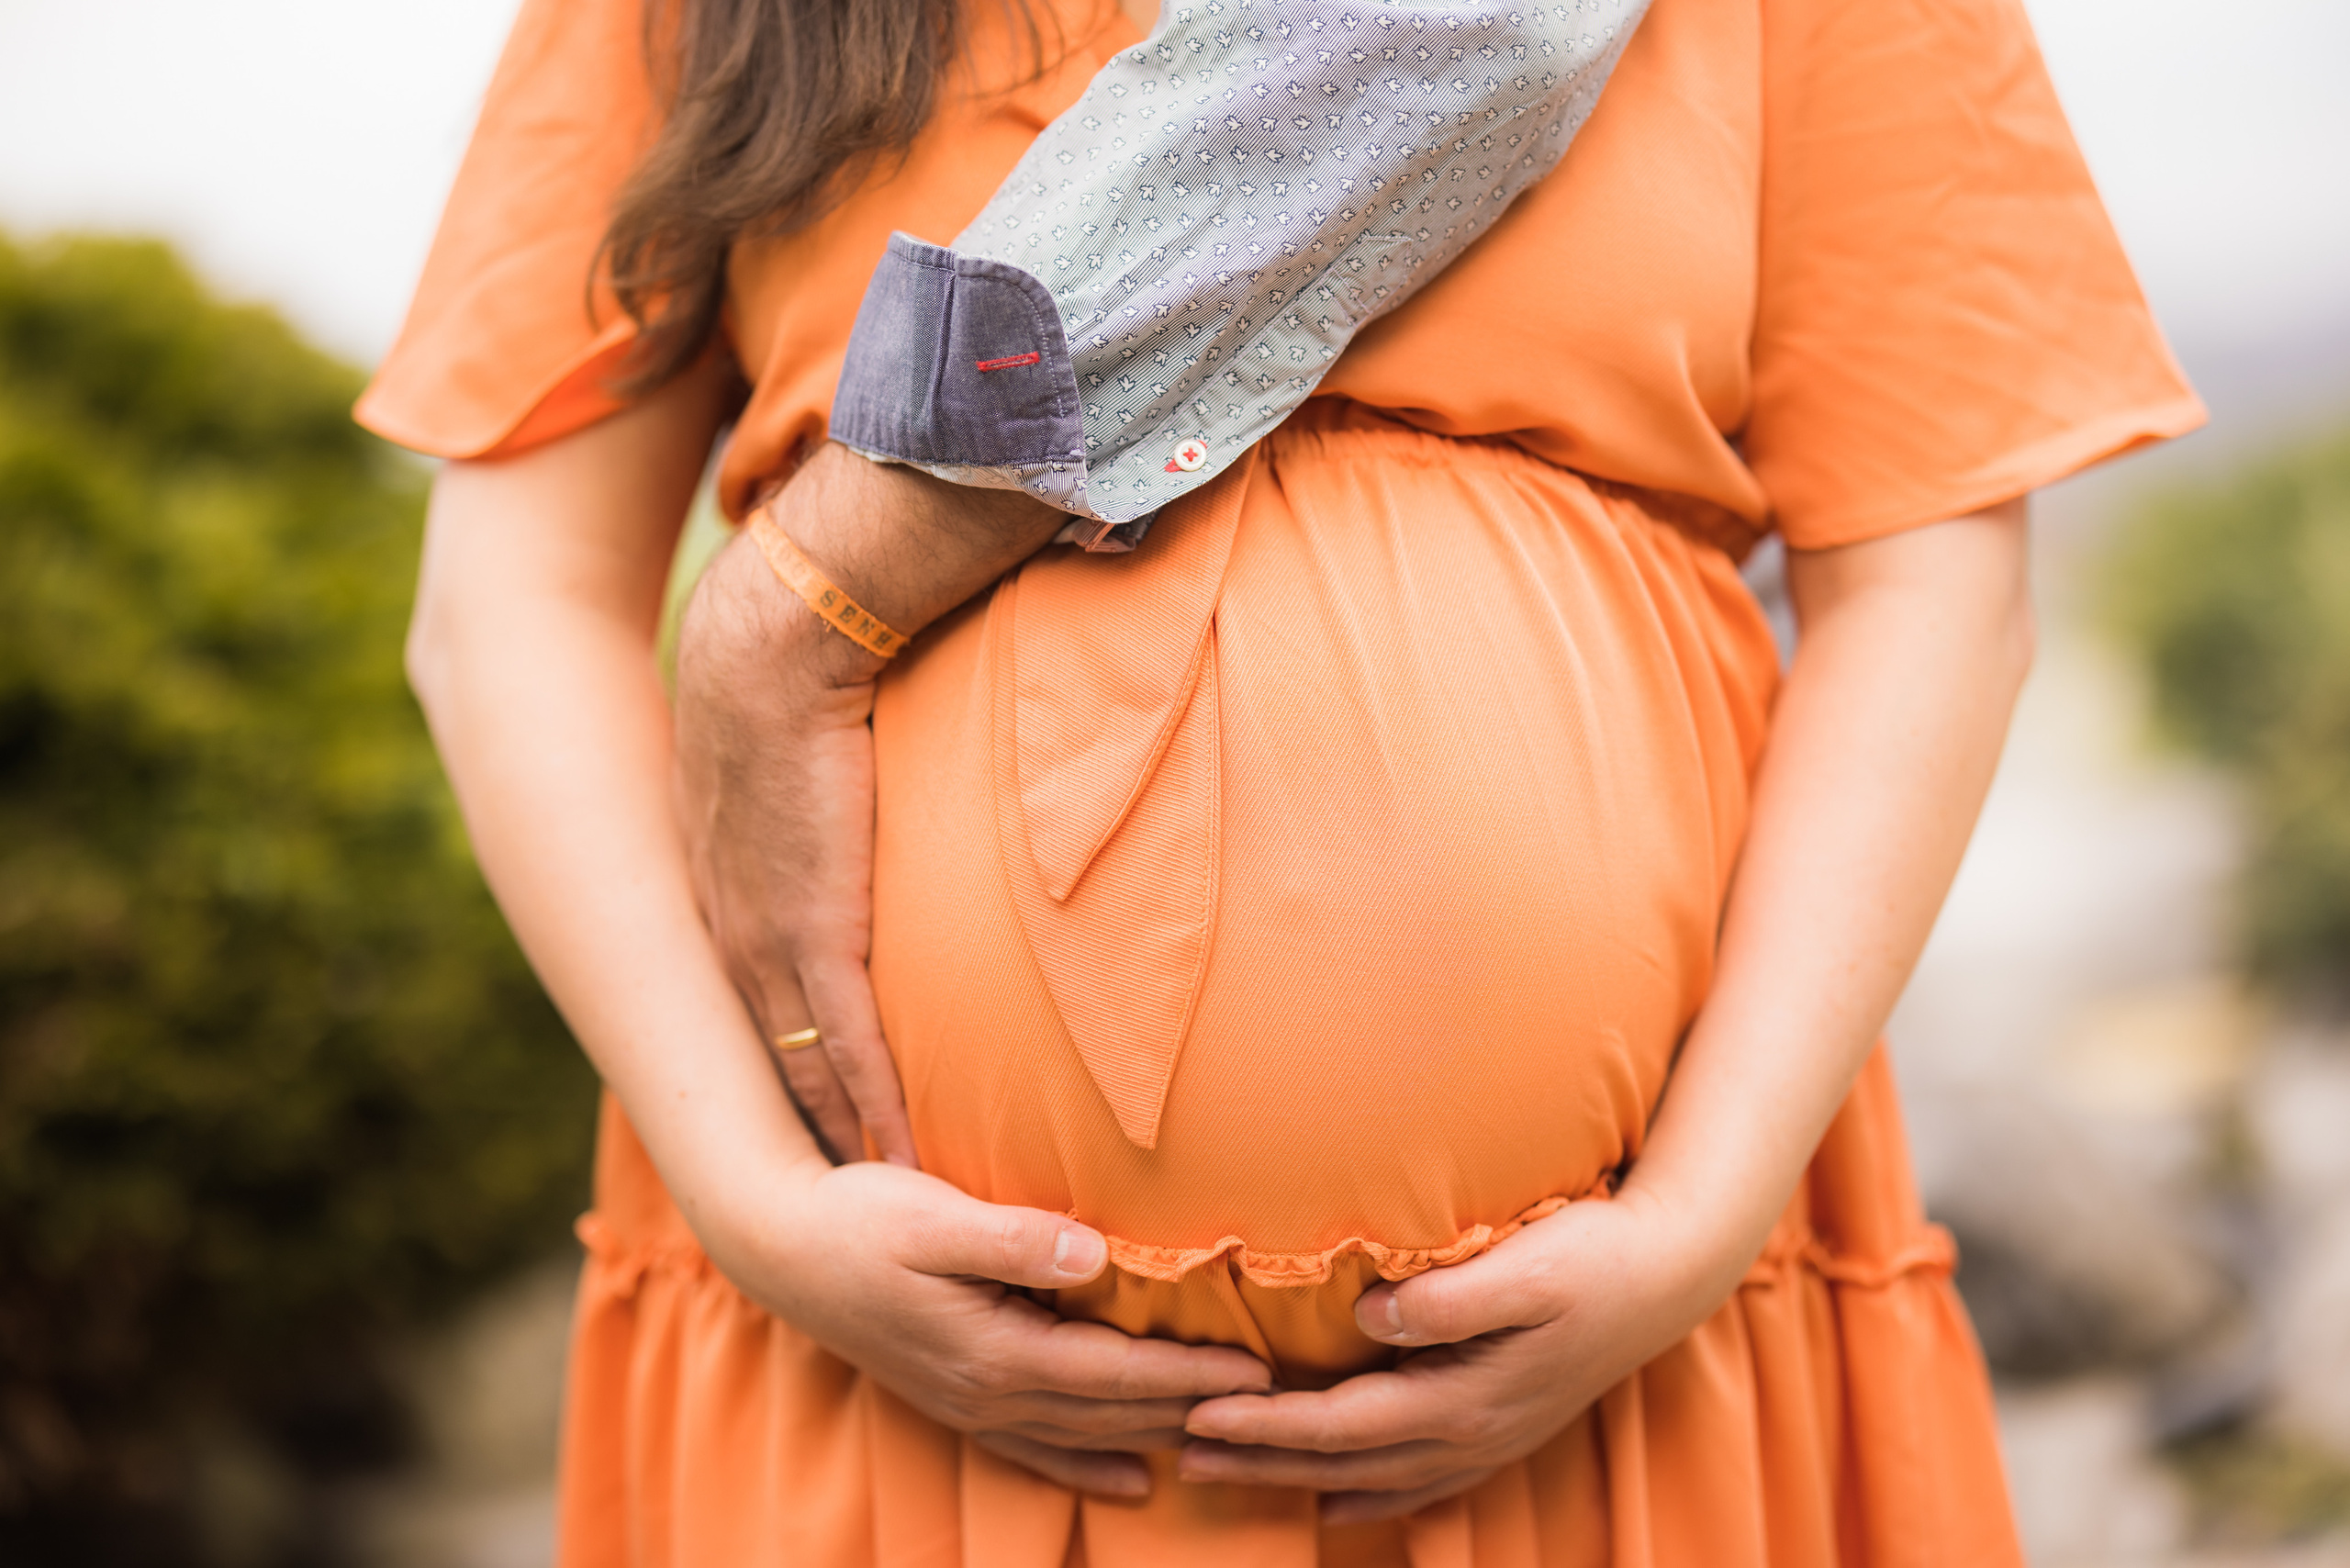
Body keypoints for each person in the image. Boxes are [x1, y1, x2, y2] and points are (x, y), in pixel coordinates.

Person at [361, 0, 2204, 1561]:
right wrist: (750, 1194)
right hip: (893, 1406)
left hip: (1617, 1400)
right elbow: (514, 600)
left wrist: (1700, 1214)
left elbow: (1925, 588)